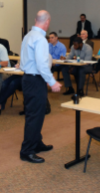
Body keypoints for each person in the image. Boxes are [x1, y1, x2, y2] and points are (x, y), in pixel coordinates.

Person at [20, 10, 62, 164]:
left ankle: (36, 142)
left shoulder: (28, 36)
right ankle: (27, 150)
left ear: (35, 19)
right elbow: (42, 65)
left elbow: (25, 59)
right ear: (47, 22)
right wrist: (52, 82)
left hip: (28, 79)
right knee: (34, 116)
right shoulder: (41, 39)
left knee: (36, 114)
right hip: (35, 81)